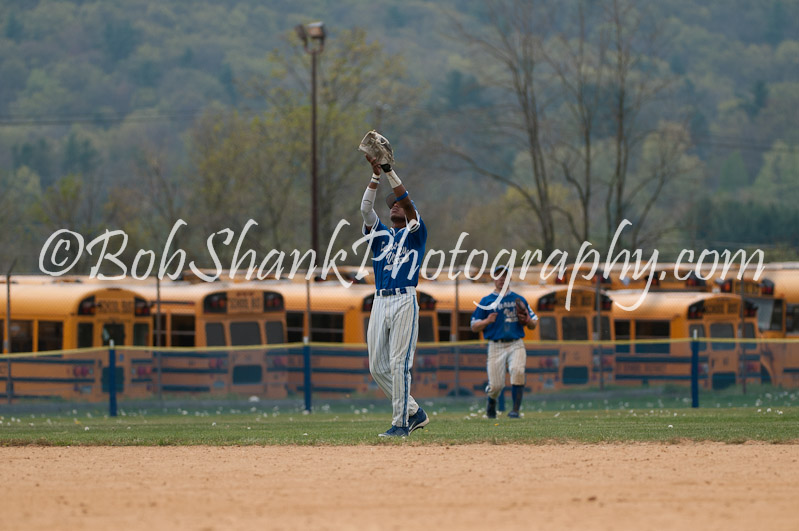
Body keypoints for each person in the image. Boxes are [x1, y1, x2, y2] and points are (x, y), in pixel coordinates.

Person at [359, 152, 429, 437]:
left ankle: (400, 424)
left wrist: (389, 172)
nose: (394, 207)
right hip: (380, 300)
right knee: (377, 367)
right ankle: (415, 412)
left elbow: (409, 205)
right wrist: (375, 176)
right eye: (392, 205)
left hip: (404, 299)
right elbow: (365, 210)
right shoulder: (382, 237)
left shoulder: (415, 233)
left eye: (398, 204)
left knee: (399, 363)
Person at [470, 266, 538, 419]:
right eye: (498, 275)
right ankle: (491, 402)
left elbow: (533, 323)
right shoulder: (486, 301)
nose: (501, 279)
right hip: (496, 345)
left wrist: (527, 320)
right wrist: (487, 321)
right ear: (493, 278)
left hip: (516, 343)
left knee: (518, 371)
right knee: (496, 386)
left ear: (509, 279)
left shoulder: (518, 299)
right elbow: (473, 326)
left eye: (505, 276)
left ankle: (515, 411)